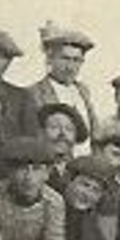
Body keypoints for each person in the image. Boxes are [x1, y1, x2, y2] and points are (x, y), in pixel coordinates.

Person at [27, 25, 100, 155]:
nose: (70, 67)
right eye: (65, 58)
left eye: (76, 60)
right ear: (50, 59)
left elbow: (94, 134)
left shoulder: (83, 91)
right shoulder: (33, 93)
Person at [36, 102, 87, 191]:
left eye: (69, 129)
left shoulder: (80, 173)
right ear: (41, 133)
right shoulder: (31, 168)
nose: (62, 134)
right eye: (54, 127)